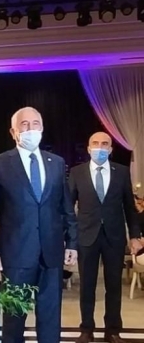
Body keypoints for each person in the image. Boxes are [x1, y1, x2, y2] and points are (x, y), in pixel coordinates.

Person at [0, 106, 78, 343]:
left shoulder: (56, 163)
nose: (30, 128)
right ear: (13, 132)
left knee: (50, 319)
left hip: (51, 253)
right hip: (15, 255)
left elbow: (66, 207)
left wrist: (72, 242)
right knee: (14, 321)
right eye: (24, 124)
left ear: (42, 128)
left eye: (35, 124)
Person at [68, 132, 142, 343]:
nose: (100, 147)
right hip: (86, 236)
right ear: (89, 148)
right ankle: (86, 329)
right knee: (87, 286)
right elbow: (68, 209)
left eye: (104, 144)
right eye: (95, 143)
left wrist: (135, 236)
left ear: (110, 149)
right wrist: (69, 239)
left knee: (114, 286)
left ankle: (113, 331)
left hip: (114, 237)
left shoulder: (122, 172)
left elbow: (130, 208)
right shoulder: (77, 172)